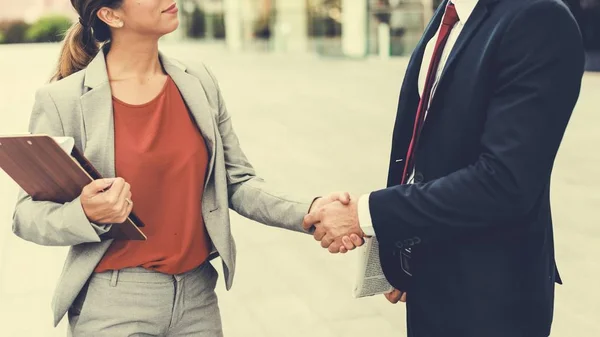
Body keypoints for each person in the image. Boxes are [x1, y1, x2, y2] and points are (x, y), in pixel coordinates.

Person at [11, 1, 353, 336]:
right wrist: (86, 212)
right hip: (114, 305)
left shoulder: (198, 81)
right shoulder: (62, 100)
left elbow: (237, 180)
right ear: (110, 14)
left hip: (198, 298)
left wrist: (310, 210)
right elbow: (26, 215)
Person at [304, 0, 585, 336]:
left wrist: (365, 215)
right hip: (431, 277)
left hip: (491, 300)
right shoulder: (451, 12)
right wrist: (401, 248)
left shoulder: (539, 19)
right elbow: (424, 149)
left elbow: (504, 183)